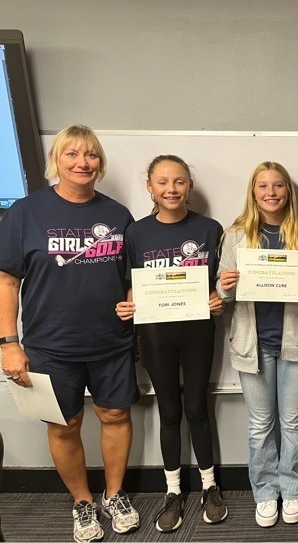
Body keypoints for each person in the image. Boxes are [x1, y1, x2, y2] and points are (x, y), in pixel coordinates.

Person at [0, 125, 140, 543]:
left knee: (115, 415)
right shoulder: (25, 212)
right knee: (64, 425)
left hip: (111, 342)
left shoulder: (118, 215)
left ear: (101, 162)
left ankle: (114, 495)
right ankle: (82, 502)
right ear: (56, 161)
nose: (83, 163)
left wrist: (134, 302)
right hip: (50, 346)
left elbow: (132, 276)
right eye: (72, 154)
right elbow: (6, 281)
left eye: (92, 155)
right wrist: (8, 343)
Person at [114, 155, 228, 532]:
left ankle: (210, 487)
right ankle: (173, 491)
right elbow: (132, 282)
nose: (171, 189)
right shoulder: (136, 233)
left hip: (197, 331)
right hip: (156, 334)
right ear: (150, 187)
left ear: (189, 186)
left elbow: (219, 282)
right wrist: (129, 304)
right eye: (162, 182)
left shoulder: (210, 229)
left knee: (197, 407)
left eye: (179, 182)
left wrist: (217, 297)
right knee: (169, 411)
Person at [216, 161, 298, 528]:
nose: (271, 192)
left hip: (297, 341)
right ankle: (265, 492)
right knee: (260, 424)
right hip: (252, 343)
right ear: (253, 191)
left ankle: (292, 489)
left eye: (278, 185)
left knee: (294, 423)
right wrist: (225, 285)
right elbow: (222, 294)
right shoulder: (235, 235)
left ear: (287, 191)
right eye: (263, 186)